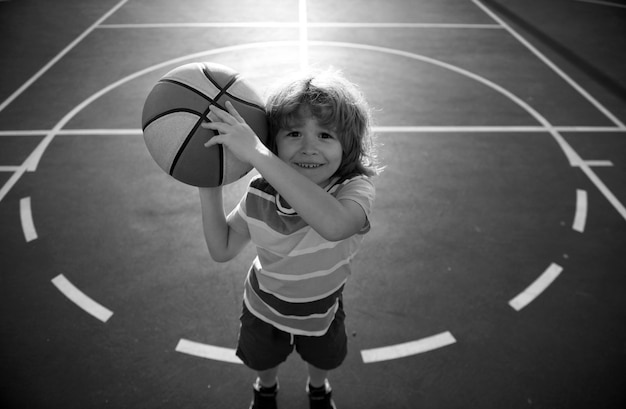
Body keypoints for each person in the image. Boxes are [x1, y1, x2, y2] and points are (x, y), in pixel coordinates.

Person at [198, 69, 381, 409]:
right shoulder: (259, 196)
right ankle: (265, 389)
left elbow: (334, 225)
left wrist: (257, 154)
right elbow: (222, 248)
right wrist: (208, 184)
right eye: (294, 133)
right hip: (264, 306)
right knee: (264, 361)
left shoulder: (354, 190)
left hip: (322, 308)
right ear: (274, 142)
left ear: (349, 144)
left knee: (322, 360)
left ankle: (318, 387)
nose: (308, 148)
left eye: (326, 135)